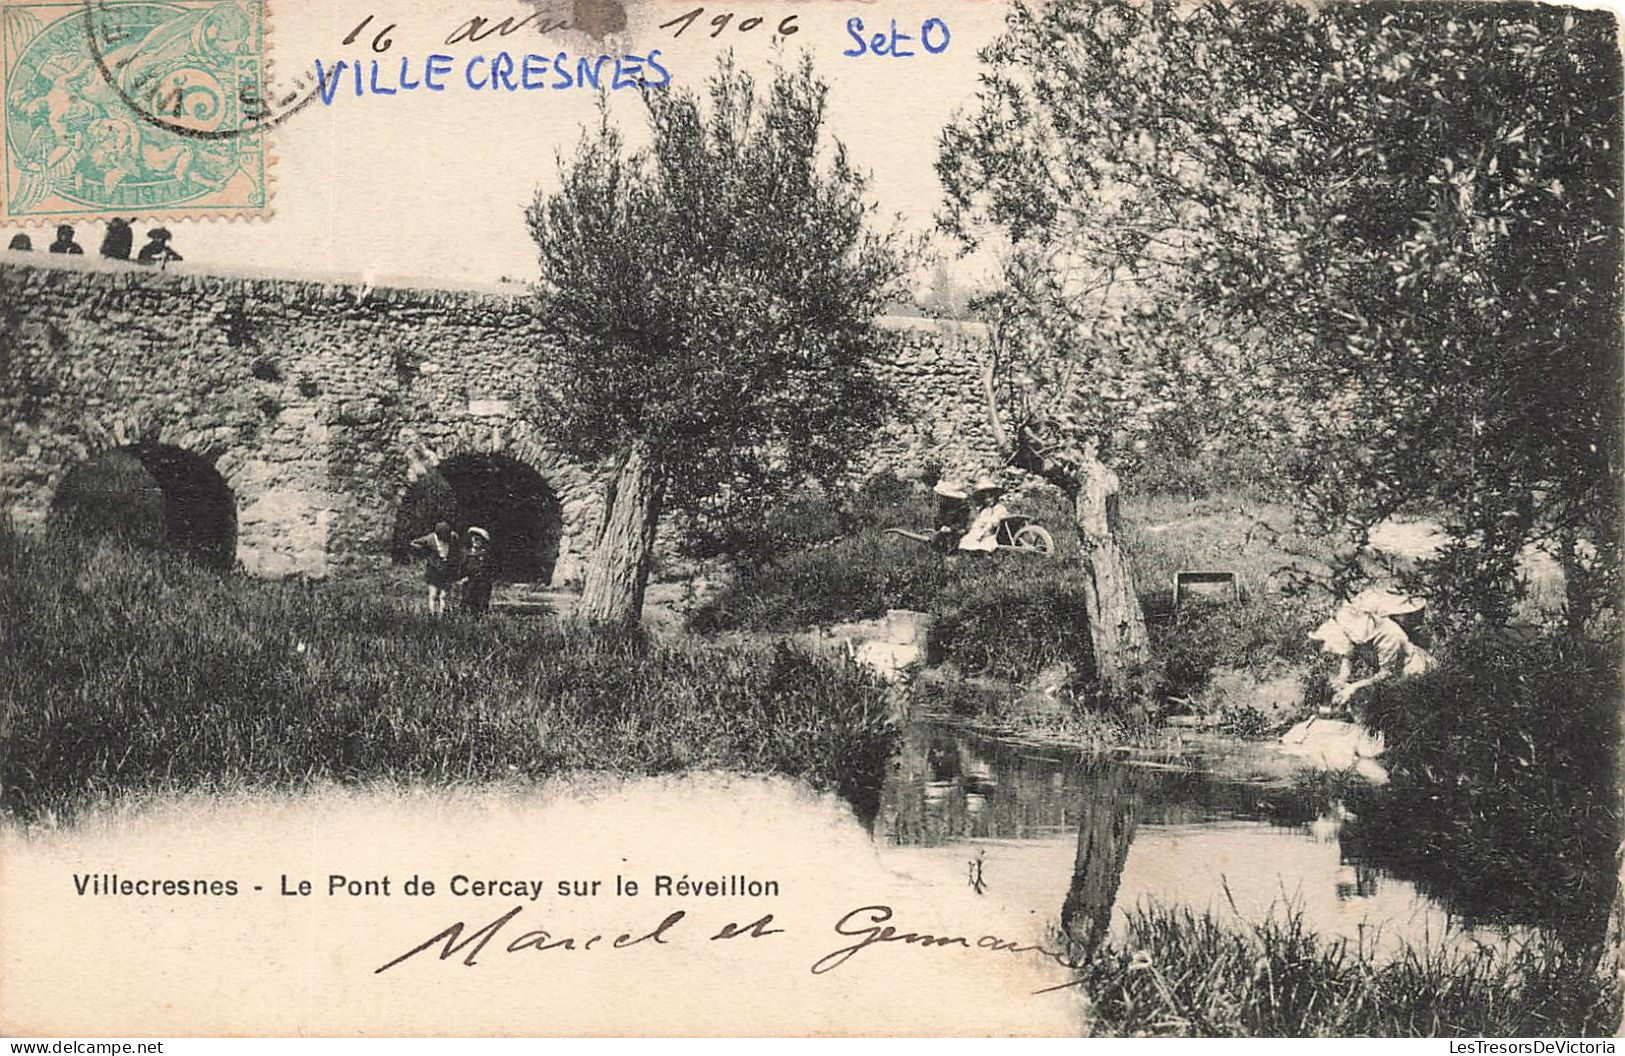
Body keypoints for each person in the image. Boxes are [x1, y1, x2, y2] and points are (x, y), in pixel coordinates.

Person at [1308, 587, 1435, 711]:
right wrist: (1341, 679)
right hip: (1393, 680)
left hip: (1413, 675)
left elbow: (1387, 674)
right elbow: (1350, 656)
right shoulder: (1355, 630)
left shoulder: (1390, 635)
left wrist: (1353, 687)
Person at [409, 520, 461, 617]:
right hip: (434, 570)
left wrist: (453, 562)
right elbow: (414, 544)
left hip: (447, 570)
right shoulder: (430, 539)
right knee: (433, 594)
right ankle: (432, 615)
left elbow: (457, 550)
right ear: (438, 535)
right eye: (442, 537)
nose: (445, 540)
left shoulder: (453, 537)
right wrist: (426, 554)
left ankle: (442, 615)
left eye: (447, 537)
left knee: (444, 595)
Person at [958, 473, 1010, 552]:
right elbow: (978, 523)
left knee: (985, 543)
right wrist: (975, 530)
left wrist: (982, 533)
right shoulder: (985, 511)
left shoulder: (1000, 508)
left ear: (995, 497)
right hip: (982, 533)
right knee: (967, 540)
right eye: (986, 498)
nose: (989, 500)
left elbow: (993, 524)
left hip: (994, 535)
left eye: (990, 497)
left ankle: (981, 553)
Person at [460, 526, 495, 617]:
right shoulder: (468, 554)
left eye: (479, 540)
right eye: (474, 539)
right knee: (468, 600)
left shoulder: (485, 555)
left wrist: (488, 578)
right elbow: (462, 568)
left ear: (483, 543)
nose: (476, 542)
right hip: (470, 581)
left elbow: (491, 569)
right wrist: (463, 577)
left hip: (483, 583)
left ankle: (481, 618)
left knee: (482, 602)